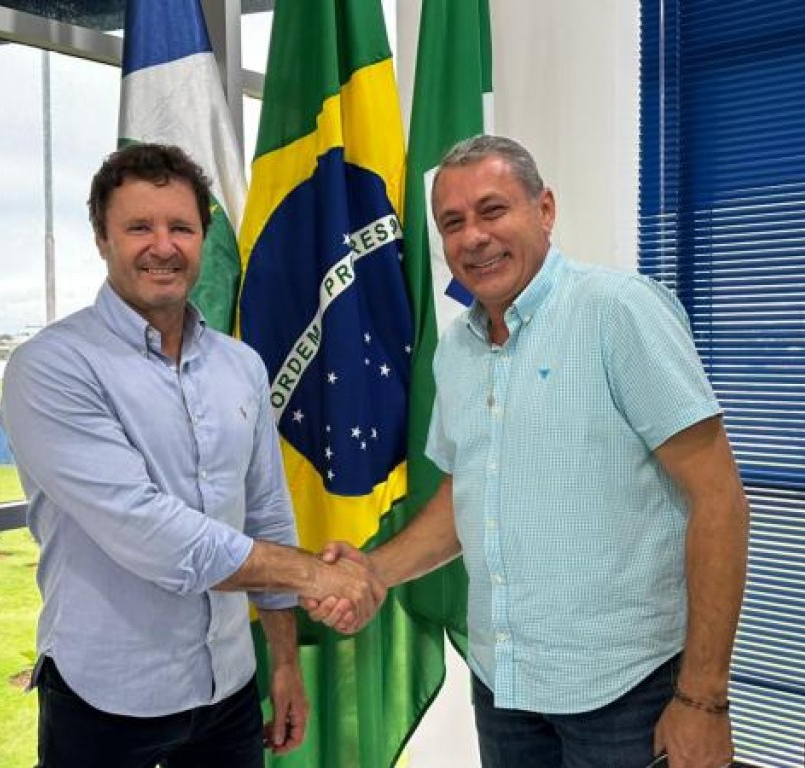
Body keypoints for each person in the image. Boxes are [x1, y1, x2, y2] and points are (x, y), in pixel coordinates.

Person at [306, 135, 750, 768]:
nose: (473, 237)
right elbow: (466, 492)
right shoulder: (456, 350)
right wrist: (375, 571)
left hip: (626, 693)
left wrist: (704, 698)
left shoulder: (619, 311)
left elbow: (719, 499)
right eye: (452, 223)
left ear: (544, 210)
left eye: (492, 210)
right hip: (505, 688)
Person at [0, 143, 384, 768]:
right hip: (106, 701)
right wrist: (318, 576)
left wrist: (284, 662)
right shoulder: (51, 368)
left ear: (203, 237)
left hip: (228, 690)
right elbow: (153, 535)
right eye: (139, 228)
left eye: (181, 227)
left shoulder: (242, 366)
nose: (163, 246)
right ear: (102, 239)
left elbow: (266, 513)